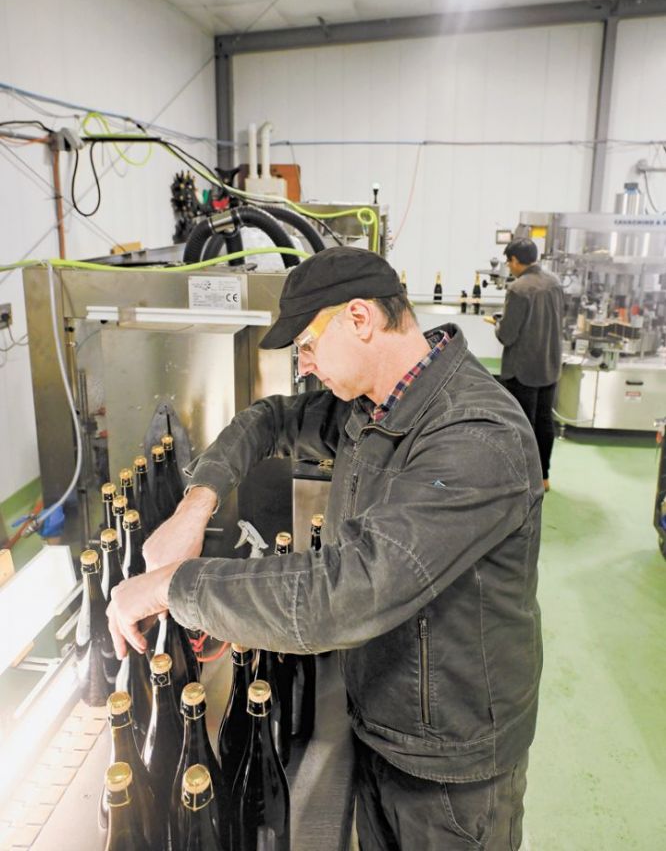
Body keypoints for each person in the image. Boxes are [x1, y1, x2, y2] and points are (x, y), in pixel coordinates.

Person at [107, 245, 544, 851]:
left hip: (449, 766)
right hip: (381, 722)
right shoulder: (374, 407)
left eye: (307, 346)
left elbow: (347, 591)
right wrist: (195, 505)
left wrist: (171, 587)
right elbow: (269, 419)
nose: (305, 367)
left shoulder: (475, 437)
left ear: (360, 319)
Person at [491, 238, 564, 492]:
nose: (509, 267)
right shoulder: (554, 283)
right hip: (550, 366)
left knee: (521, 424)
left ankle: (521, 479)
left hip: (522, 370)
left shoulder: (519, 289)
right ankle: (543, 477)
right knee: (545, 422)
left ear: (515, 260)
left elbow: (507, 335)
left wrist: (497, 323)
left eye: (509, 262)